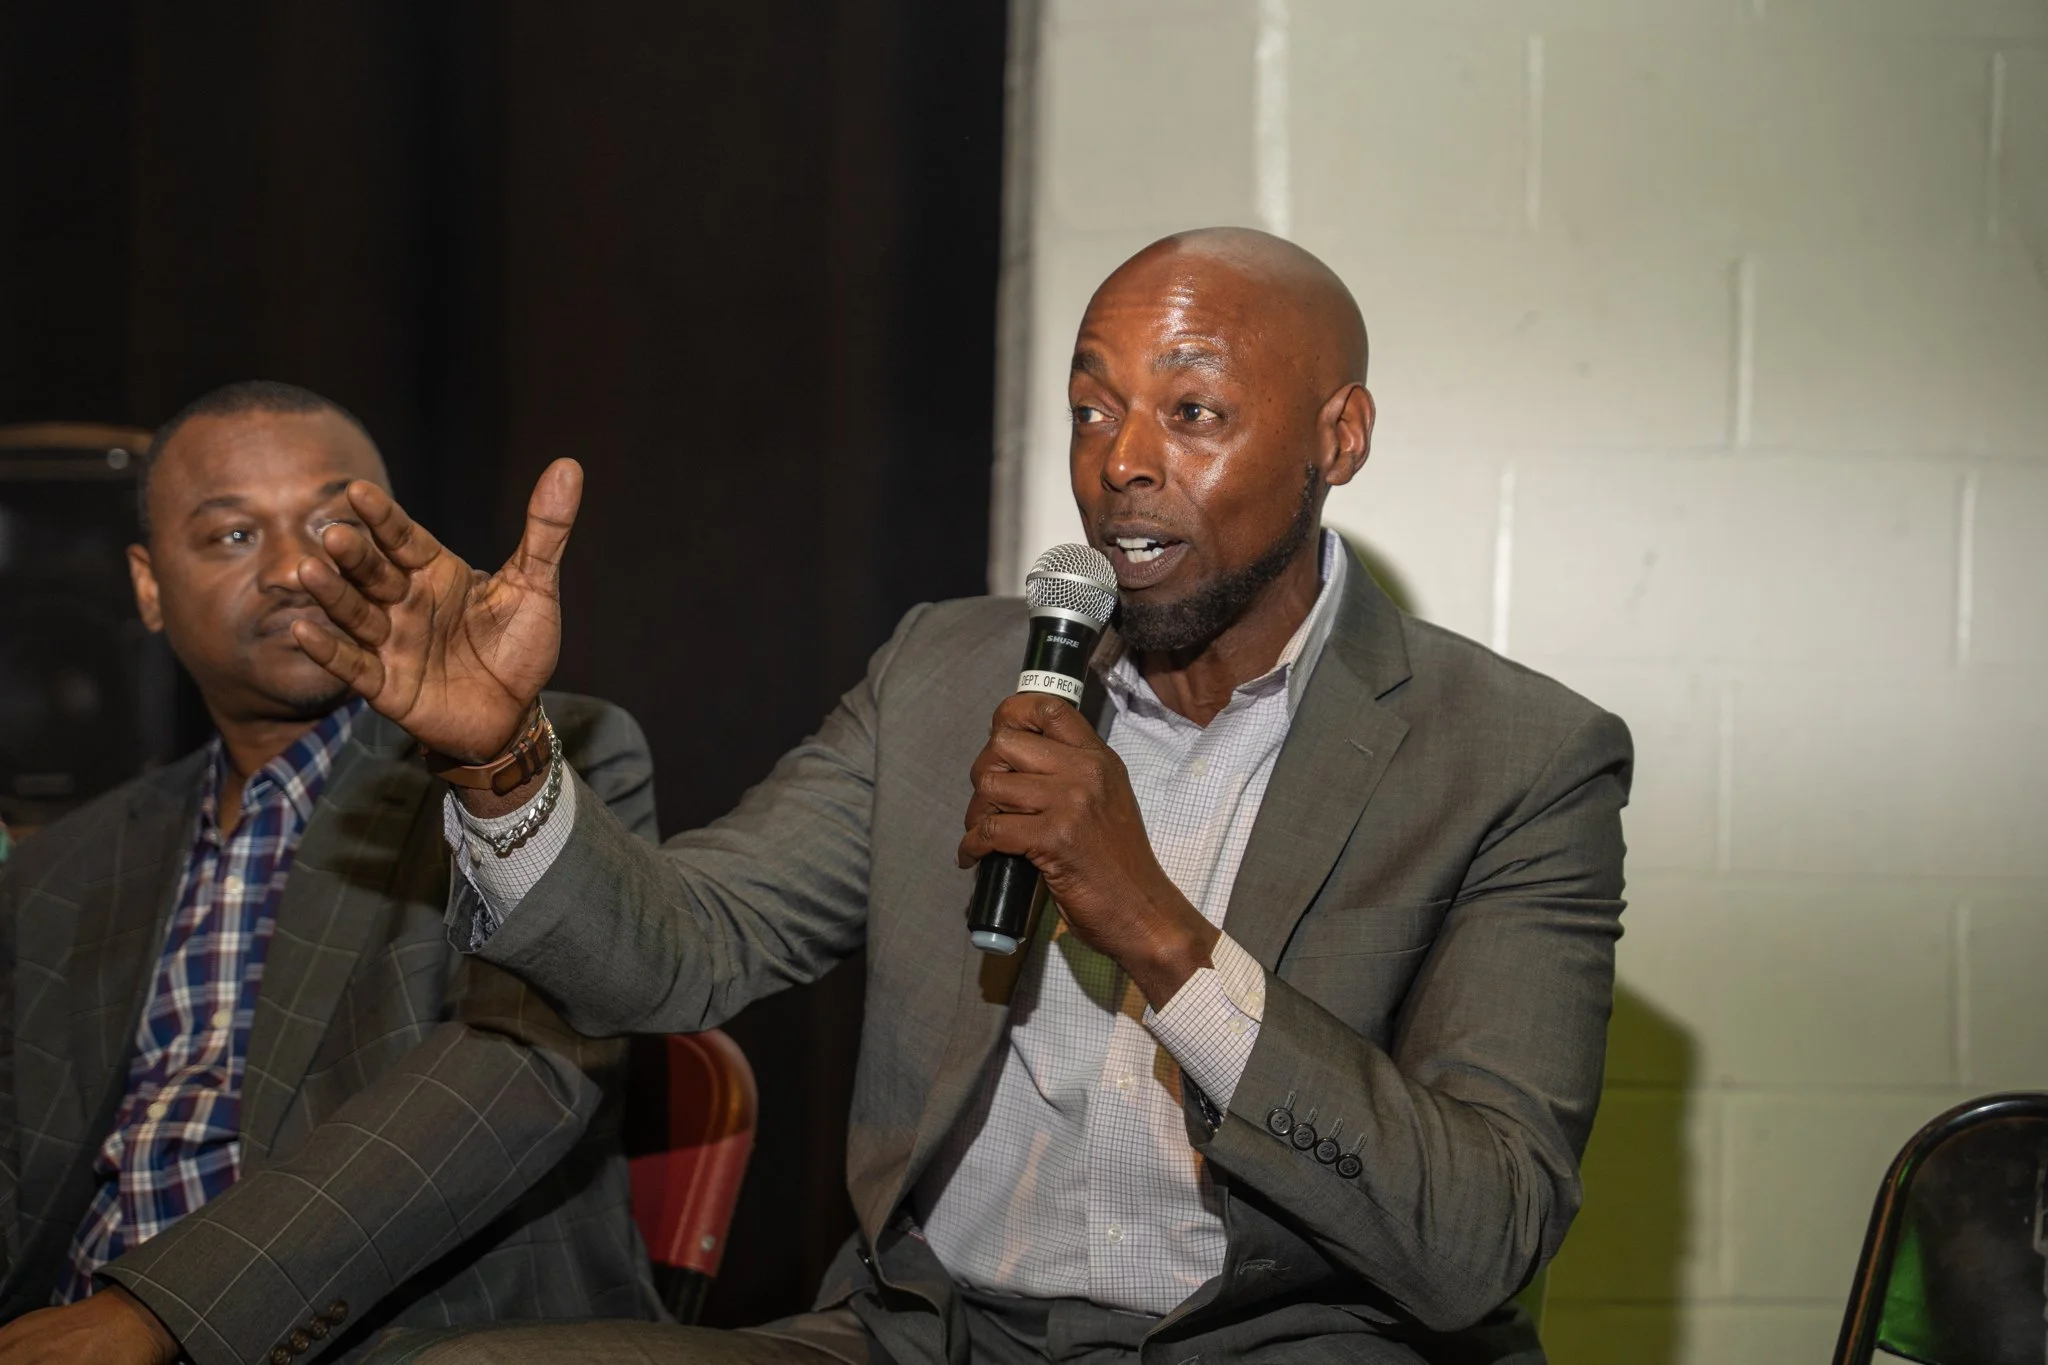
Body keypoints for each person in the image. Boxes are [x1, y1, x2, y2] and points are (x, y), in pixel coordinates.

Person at [299, 229, 1633, 1365]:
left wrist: (1161, 934)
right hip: (931, 1332)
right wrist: (502, 759)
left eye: (1195, 412)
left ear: (1338, 437)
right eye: (1092, 407)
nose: (1122, 460)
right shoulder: (954, 671)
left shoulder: (1513, 756)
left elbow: (1481, 1236)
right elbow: (679, 947)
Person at [0, 382, 664, 1365]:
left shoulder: (541, 758)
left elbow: (515, 1074)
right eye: (232, 537)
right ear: (147, 587)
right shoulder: (63, 863)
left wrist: (157, 1313)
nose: (296, 571)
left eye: (335, 529)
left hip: (414, 1335)